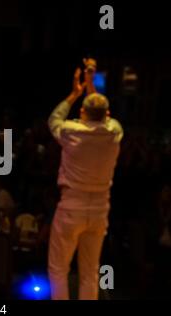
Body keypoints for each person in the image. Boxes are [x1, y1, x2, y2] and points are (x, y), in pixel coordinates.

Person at [47, 59, 123, 300]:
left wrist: (74, 93)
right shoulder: (114, 132)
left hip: (72, 207)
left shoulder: (70, 131)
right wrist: (91, 85)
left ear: (81, 112)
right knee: (90, 272)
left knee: (59, 269)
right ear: (107, 115)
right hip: (100, 209)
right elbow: (100, 113)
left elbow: (53, 120)